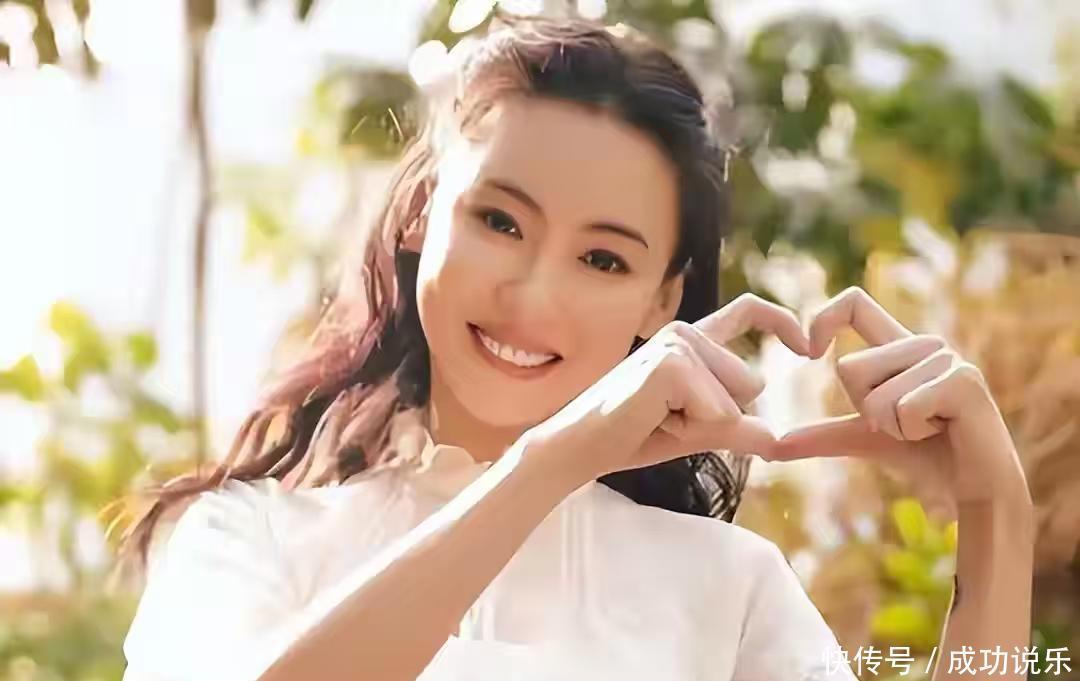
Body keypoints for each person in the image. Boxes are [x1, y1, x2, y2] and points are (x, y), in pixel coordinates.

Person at [117, 15, 1034, 681]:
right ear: (421, 211)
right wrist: (544, 466)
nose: (533, 294)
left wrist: (998, 516)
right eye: (500, 221)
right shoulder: (248, 537)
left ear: (662, 300)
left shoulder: (727, 588)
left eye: (603, 258)